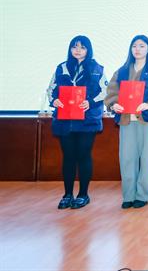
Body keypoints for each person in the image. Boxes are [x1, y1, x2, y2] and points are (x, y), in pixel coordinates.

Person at [105, 35, 148, 209]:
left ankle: (143, 195)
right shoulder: (121, 71)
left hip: (147, 120)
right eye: (134, 46)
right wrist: (113, 104)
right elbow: (111, 93)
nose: (137, 49)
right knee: (127, 158)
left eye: (142, 46)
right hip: (126, 119)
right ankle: (128, 195)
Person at [47, 35, 108, 209]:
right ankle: (67, 195)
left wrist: (91, 101)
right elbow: (51, 89)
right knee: (68, 157)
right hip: (65, 120)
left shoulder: (97, 68)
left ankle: (83, 195)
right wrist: (54, 100)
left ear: (88, 50)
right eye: (75, 47)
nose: (78, 50)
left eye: (82, 47)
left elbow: (105, 90)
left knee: (83, 155)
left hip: (87, 120)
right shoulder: (61, 68)